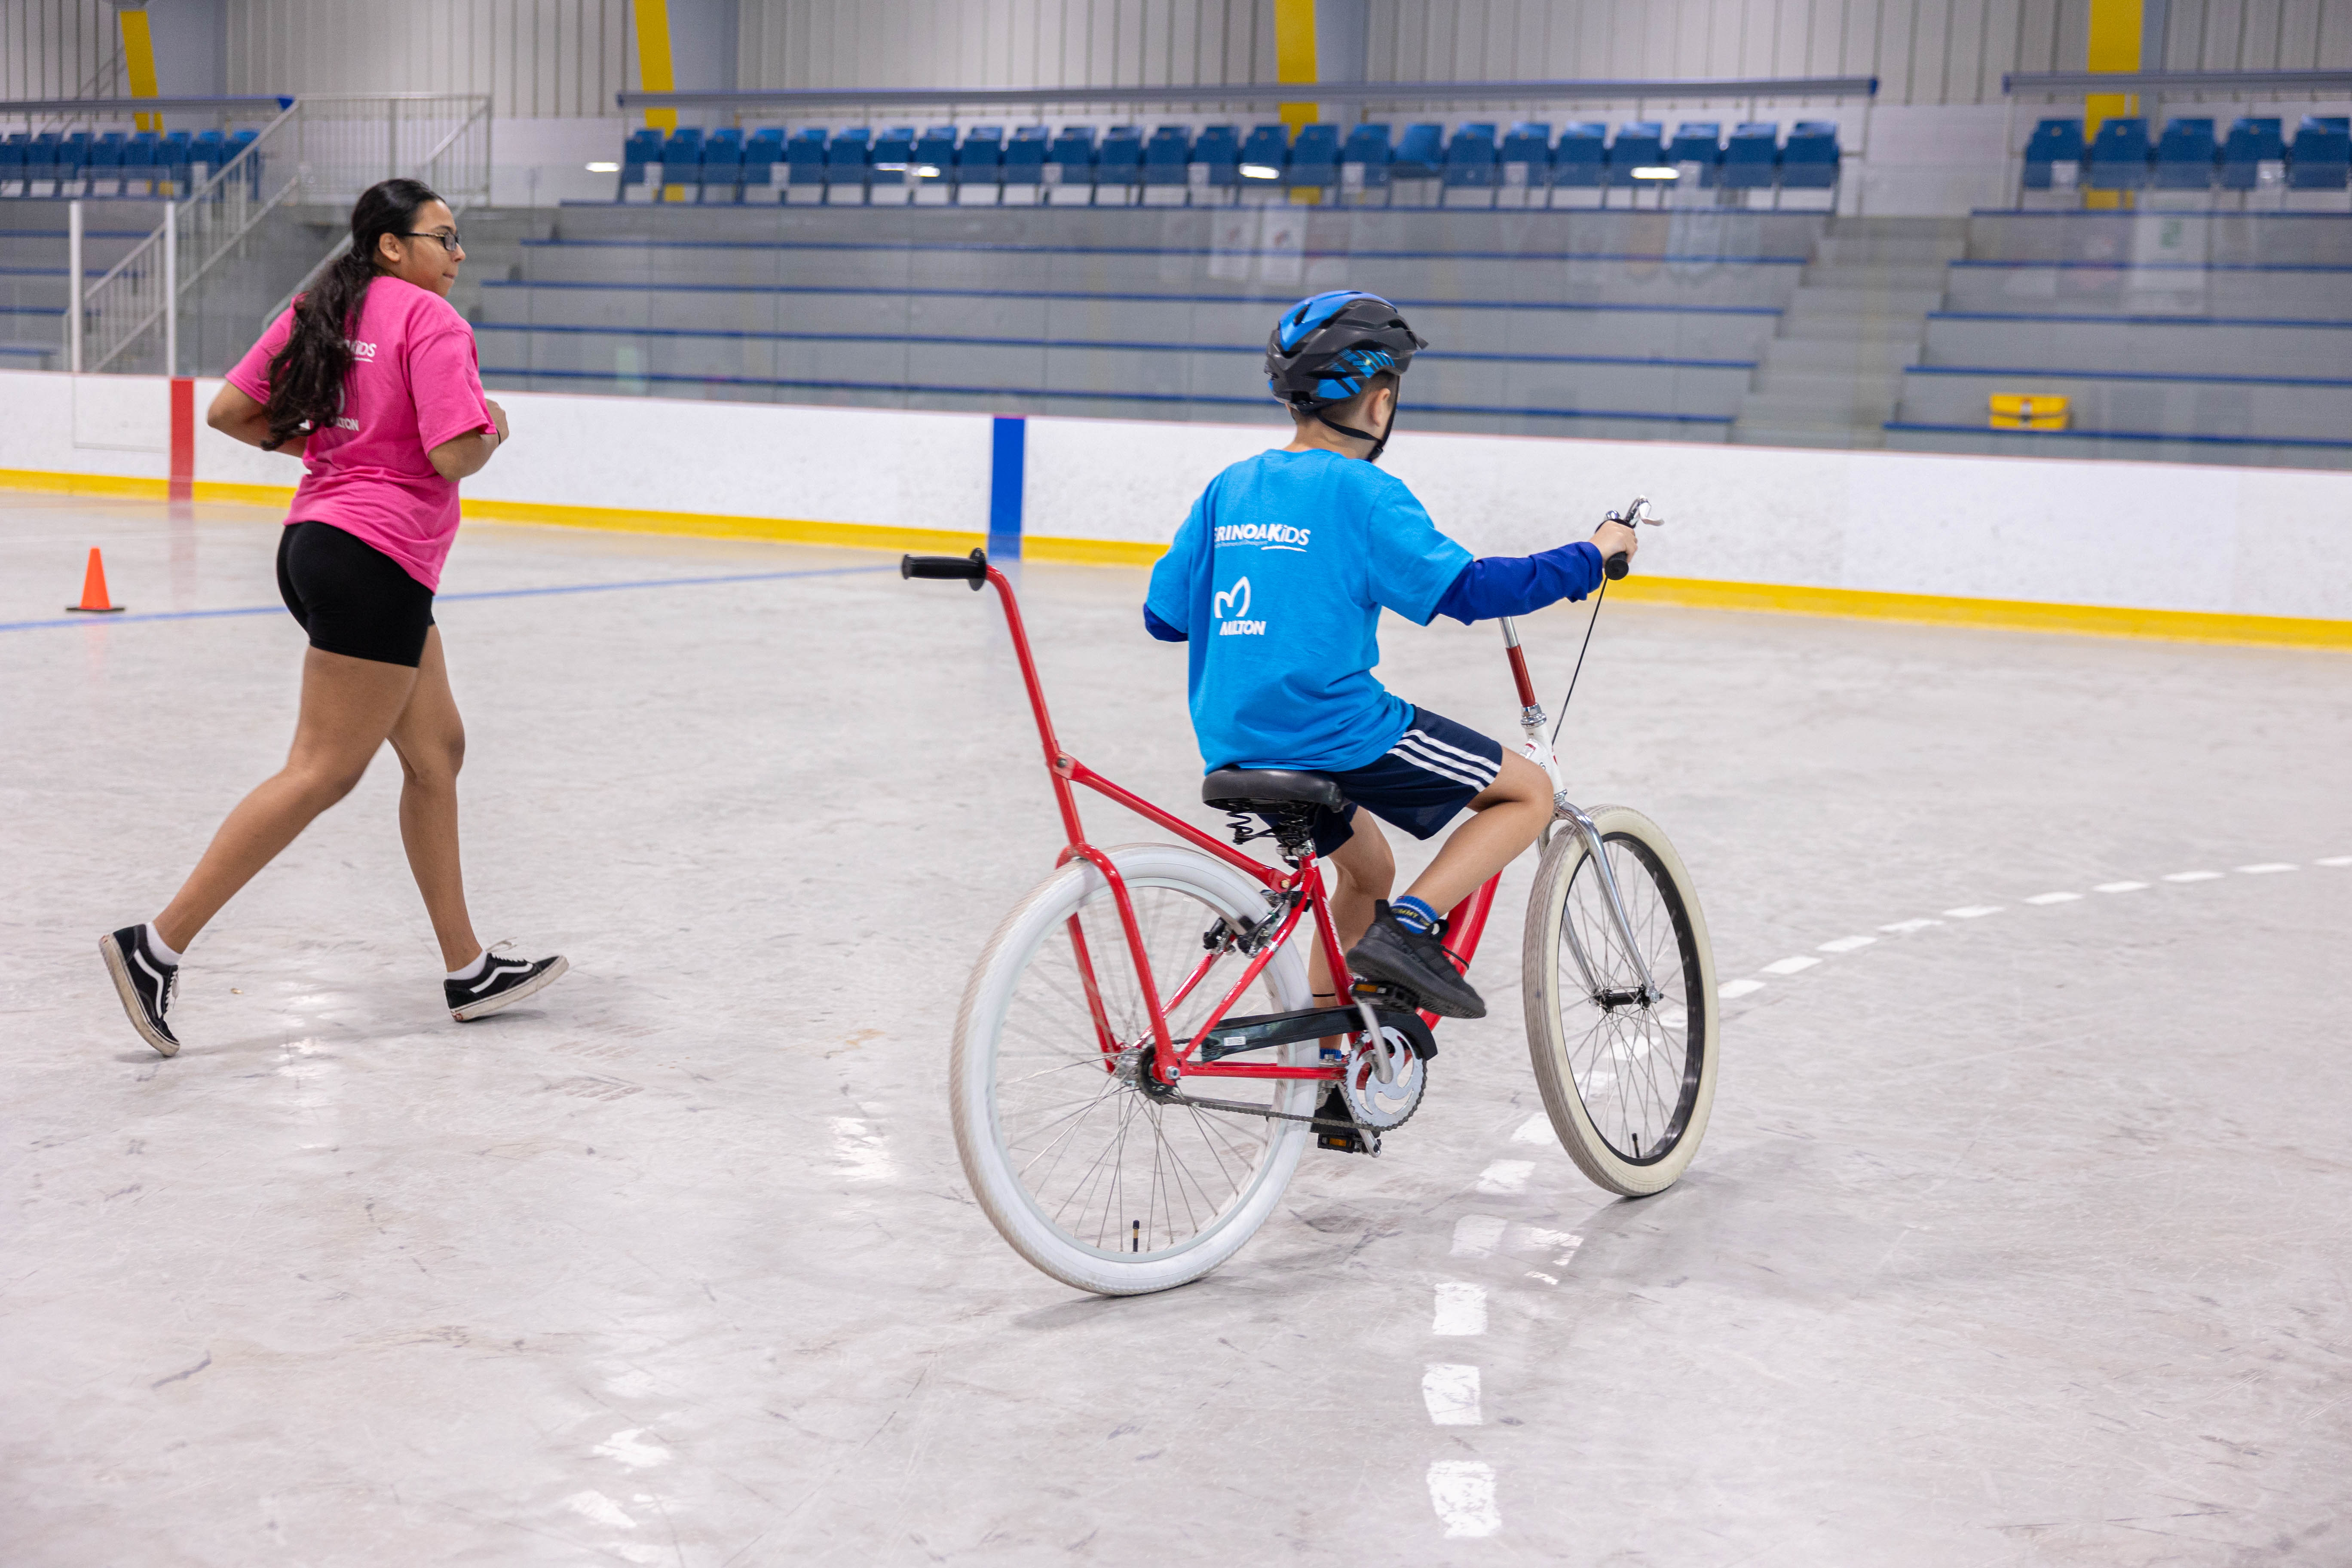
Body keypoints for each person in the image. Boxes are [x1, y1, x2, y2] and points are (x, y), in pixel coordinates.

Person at [100, 178, 565, 1058]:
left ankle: (468, 969)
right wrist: (494, 424)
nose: (458, 253)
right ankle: (155, 946)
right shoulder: (435, 323)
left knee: (437, 751)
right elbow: (453, 453)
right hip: (376, 560)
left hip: (319, 546)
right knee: (322, 771)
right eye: (445, 237)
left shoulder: (324, 303)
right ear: (394, 245)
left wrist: (327, 445)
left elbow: (231, 412)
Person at [1142, 290, 1639, 1021]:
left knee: (1365, 870)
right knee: (1528, 791)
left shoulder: (1230, 487)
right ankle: (1410, 931)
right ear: (1379, 404)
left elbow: (1165, 619)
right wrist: (1592, 555)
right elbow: (1472, 591)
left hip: (1231, 739)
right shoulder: (1365, 493)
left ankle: (1330, 1053)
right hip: (1333, 732)